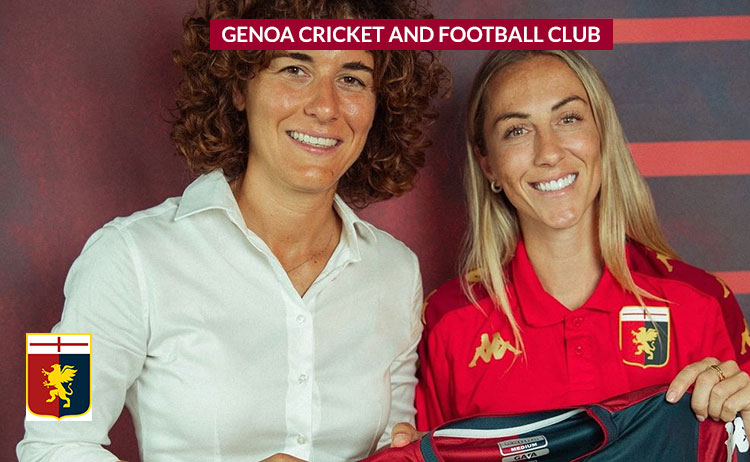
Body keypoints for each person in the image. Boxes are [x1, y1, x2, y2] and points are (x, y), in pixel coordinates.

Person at [17, 1, 448, 461]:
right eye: (295, 69)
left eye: (352, 78)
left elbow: (393, 441)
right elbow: (48, 443)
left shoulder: (397, 270)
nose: (325, 106)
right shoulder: (121, 254)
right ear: (240, 86)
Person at [406, 50, 750, 461]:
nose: (549, 152)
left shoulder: (701, 302)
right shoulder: (448, 321)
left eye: (568, 119)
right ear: (488, 163)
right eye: (516, 130)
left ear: (603, 134)